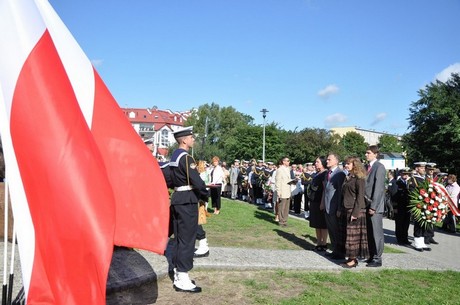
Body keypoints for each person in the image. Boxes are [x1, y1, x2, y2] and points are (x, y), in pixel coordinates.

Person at [169, 126, 209, 293]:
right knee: (187, 239)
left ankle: (179, 273)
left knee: (179, 238)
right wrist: (205, 194)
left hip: (178, 199)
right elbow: (197, 181)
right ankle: (183, 277)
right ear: (184, 140)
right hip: (187, 201)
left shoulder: (174, 155)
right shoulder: (186, 158)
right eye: (191, 137)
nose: (193, 139)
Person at [339, 157, 369, 268]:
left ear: (354, 165)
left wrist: (355, 213)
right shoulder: (348, 177)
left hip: (355, 211)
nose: (346, 165)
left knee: (353, 237)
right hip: (347, 209)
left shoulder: (359, 178)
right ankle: (351, 258)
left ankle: (353, 260)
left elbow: (360, 197)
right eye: (345, 163)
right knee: (348, 236)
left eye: (348, 164)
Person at [364, 145, 386, 267]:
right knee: (369, 232)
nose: (366, 155)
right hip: (367, 203)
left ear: (375, 154)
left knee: (376, 232)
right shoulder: (368, 167)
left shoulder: (379, 167)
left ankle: (378, 258)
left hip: (375, 206)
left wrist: (373, 206)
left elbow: (378, 189)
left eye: (368, 153)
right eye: (366, 153)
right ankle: (372, 255)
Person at [323, 153, 346, 260]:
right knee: (331, 231)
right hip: (328, 207)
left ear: (336, 161)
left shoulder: (340, 174)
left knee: (337, 231)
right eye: (327, 159)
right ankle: (334, 250)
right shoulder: (328, 172)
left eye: (329, 159)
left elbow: (340, 193)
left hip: (335, 208)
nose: (327, 161)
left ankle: (340, 252)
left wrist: (339, 208)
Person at [407, 162, 432, 251]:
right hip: (418, 205)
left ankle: (422, 242)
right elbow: (412, 192)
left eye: (424, 167)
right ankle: (417, 243)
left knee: (424, 224)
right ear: (417, 169)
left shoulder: (426, 178)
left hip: (426, 204)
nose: (424, 169)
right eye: (421, 168)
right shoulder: (413, 179)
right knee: (418, 223)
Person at [308, 157, 328, 251]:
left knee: (322, 224)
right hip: (314, 200)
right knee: (316, 223)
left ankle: (324, 243)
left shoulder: (325, 174)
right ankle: (319, 242)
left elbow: (325, 189)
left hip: (320, 201)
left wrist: (322, 202)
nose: (315, 163)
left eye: (317, 162)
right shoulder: (317, 173)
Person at [392, 168, 412, 245]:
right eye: (404, 174)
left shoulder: (409, 182)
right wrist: (395, 207)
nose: (406, 175)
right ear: (400, 174)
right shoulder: (396, 182)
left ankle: (405, 238)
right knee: (399, 224)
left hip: (407, 207)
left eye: (407, 174)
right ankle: (399, 239)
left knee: (406, 223)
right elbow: (393, 196)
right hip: (399, 207)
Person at [275, 156, 292, 227]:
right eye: (287, 161)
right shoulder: (280, 170)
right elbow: (278, 181)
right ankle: (281, 221)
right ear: (283, 161)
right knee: (282, 207)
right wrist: (279, 192)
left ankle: (285, 221)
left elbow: (287, 180)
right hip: (282, 191)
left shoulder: (287, 169)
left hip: (287, 190)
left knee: (286, 208)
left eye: (289, 161)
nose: (289, 162)